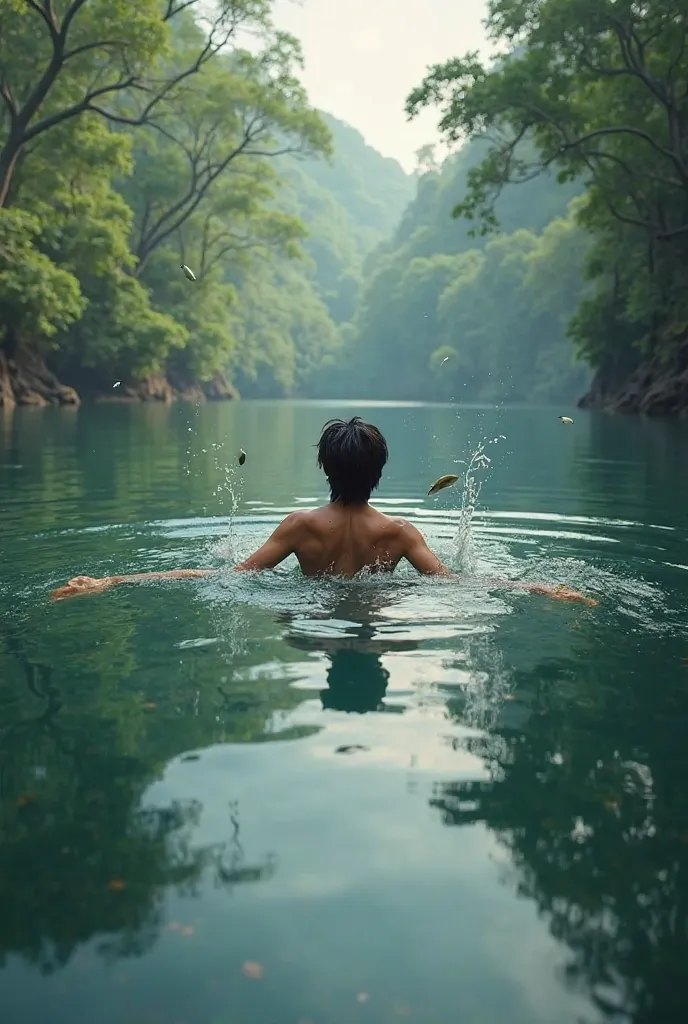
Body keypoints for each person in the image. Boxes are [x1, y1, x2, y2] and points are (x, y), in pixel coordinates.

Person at [50, 417, 595, 605]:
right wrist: (542, 588)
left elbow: (226, 578)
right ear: (380, 471)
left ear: (324, 468)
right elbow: (460, 586)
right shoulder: (402, 534)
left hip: (311, 612)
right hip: (380, 617)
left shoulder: (300, 527)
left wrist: (114, 579)